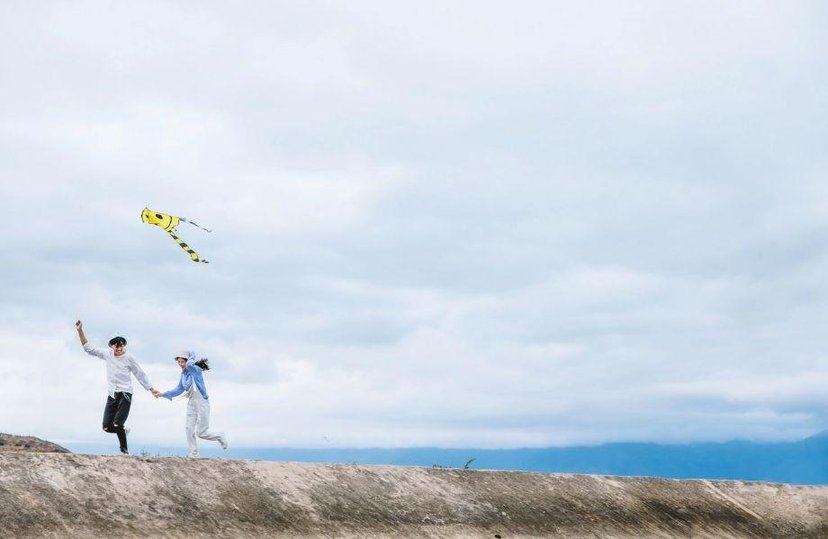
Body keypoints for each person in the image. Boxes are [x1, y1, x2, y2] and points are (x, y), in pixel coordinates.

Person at [75, 320, 157, 455]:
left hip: (125, 393)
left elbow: (139, 373)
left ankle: (124, 451)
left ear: (124, 345)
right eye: (116, 346)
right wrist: (80, 331)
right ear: (112, 346)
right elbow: (88, 348)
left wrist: (151, 388)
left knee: (118, 424)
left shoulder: (129, 358)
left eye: (121, 346)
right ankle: (123, 432)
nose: (119, 349)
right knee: (107, 427)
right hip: (112, 394)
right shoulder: (107, 354)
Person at [155, 350, 227, 457]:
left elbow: (190, 361)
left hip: (202, 401)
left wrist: (190, 356)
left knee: (201, 432)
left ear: (188, 361)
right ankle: (194, 453)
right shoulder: (183, 375)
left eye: (182, 362)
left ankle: (219, 435)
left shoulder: (195, 369)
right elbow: (179, 389)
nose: (180, 364)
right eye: (178, 362)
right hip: (191, 401)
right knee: (188, 428)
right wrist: (162, 394)